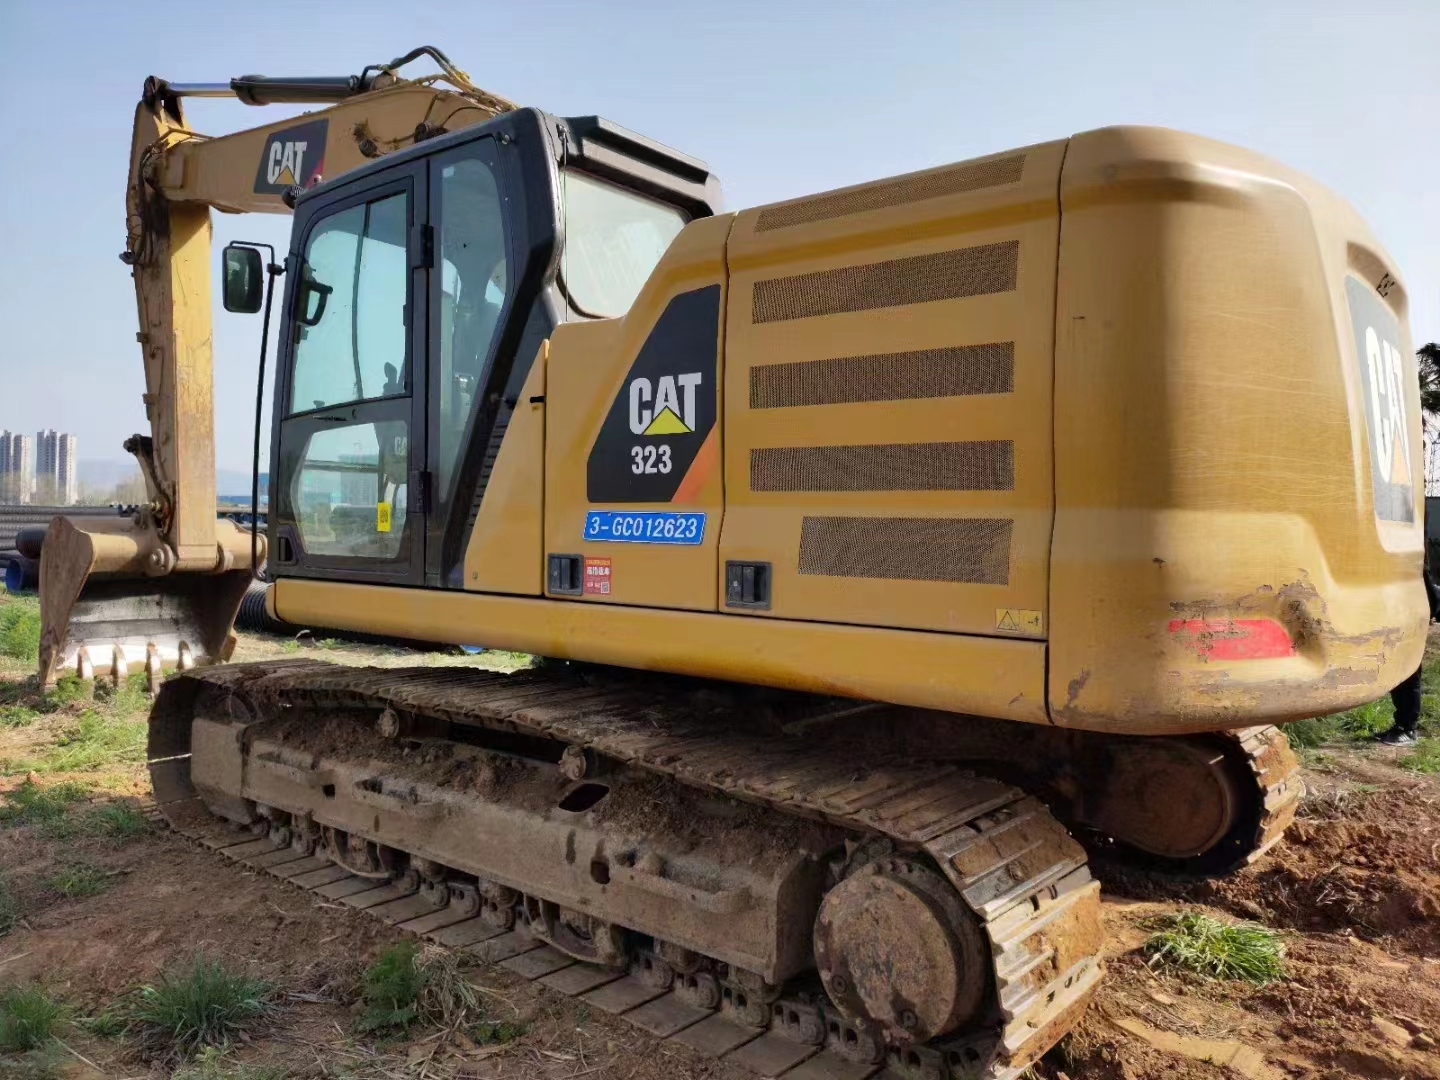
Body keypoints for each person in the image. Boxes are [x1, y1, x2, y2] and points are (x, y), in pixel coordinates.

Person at [1377, 560, 1440, 745]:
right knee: (1399, 677)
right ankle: (1401, 726)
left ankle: (1408, 729)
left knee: (1409, 677)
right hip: (1397, 624)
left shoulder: (1413, 565)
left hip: (1410, 625)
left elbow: (1432, 599)